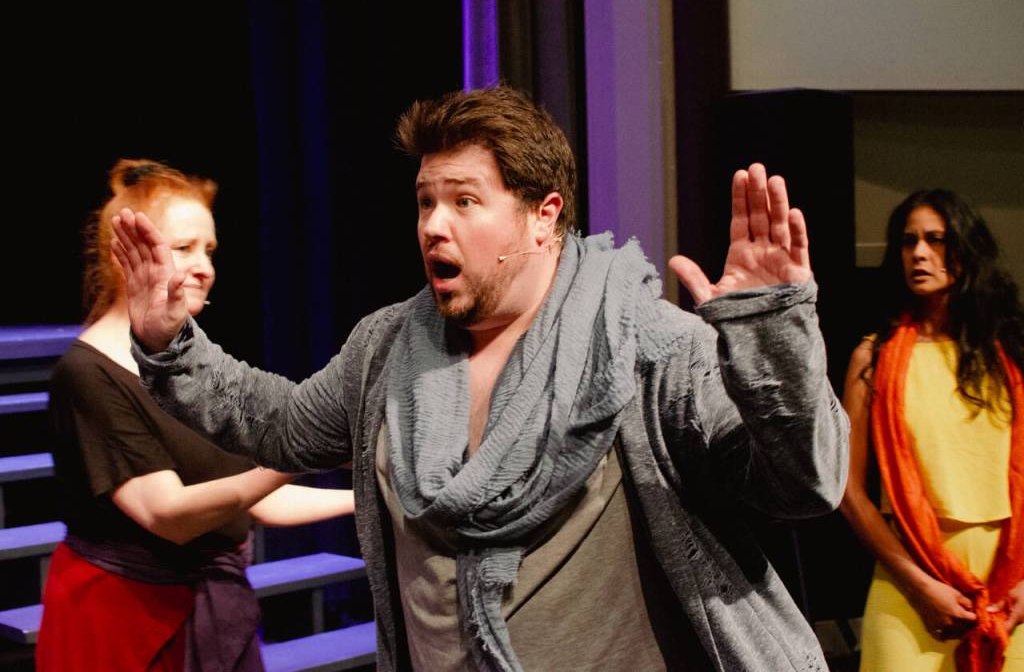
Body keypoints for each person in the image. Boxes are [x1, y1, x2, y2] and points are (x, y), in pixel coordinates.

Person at [114, 87, 848, 671]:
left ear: (542, 217)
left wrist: (769, 339)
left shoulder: (645, 343)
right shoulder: (388, 349)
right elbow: (275, 423)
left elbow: (799, 486)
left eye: (465, 201)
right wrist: (167, 342)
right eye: (427, 201)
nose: (435, 224)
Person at [36, 159, 356, 672]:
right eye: (183, 248)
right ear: (128, 257)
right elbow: (170, 516)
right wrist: (305, 447)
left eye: (209, 250)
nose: (205, 266)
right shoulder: (87, 373)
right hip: (125, 624)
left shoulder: (187, 371)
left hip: (201, 609)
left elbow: (254, 497)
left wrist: (372, 496)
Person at [839, 190, 1024, 671]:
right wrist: (920, 586)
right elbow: (846, 489)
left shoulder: (1011, 358)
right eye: (908, 241)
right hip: (912, 589)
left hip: (1011, 593)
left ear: (966, 249)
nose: (919, 253)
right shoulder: (872, 357)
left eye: (936, 239)